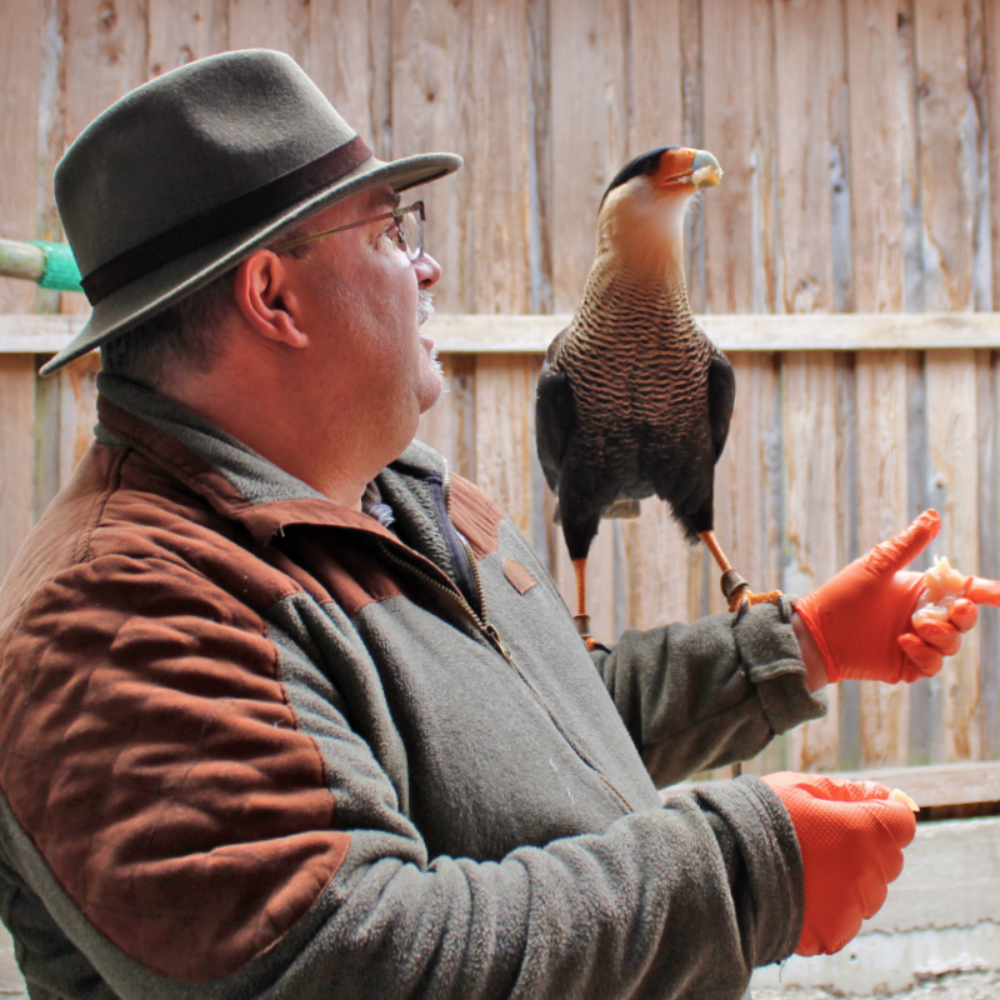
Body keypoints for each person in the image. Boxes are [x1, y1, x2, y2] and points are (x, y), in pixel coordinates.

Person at [0, 49, 983, 1000]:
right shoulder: (119, 621)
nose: (425, 265)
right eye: (389, 232)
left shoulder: (402, 492)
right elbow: (354, 963)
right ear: (274, 296)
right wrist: (744, 868)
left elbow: (547, 736)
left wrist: (792, 648)